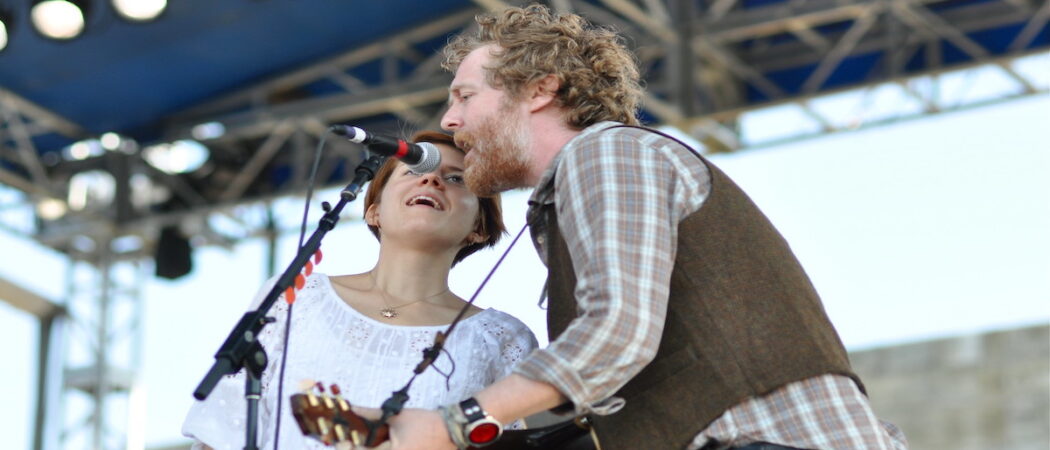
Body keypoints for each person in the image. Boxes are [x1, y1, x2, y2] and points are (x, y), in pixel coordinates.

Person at [385, 5, 908, 450]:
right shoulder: (586, 180)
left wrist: (455, 422)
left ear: (541, 89)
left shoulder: (605, 152)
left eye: (465, 96)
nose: (450, 120)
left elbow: (617, 334)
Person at [181, 131, 538, 450]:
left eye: (457, 179)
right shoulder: (297, 295)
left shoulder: (503, 338)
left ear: (479, 226)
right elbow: (220, 432)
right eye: (413, 171)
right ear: (373, 211)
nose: (431, 179)